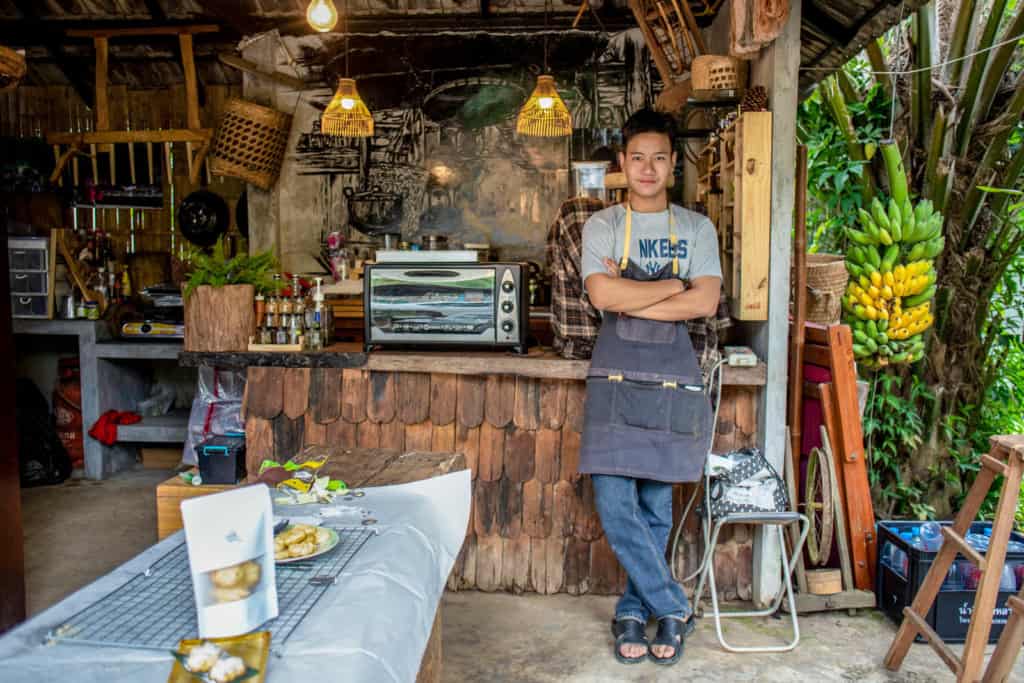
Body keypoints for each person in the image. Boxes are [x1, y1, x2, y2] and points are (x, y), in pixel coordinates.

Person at [579, 108, 722, 666]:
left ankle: (634, 612)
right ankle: (672, 603)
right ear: (622, 163)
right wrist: (672, 286)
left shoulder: (695, 228)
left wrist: (635, 289)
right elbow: (603, 298)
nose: (647, 168)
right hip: (615, 376)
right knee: (616, 501)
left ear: (671, 166)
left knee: (656, 504)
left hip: (671, 378)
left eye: (658, 158)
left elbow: (705, 302)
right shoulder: (605, 225)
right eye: (637, 157)